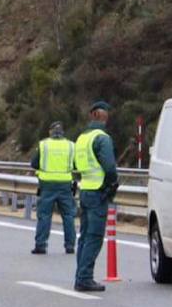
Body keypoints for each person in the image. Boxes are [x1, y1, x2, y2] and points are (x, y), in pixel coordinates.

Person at [74, 101, 119, 292]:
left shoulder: (82, 138)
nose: (105, 116)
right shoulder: (102, 138)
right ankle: (84, 278)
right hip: (98, 193)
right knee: (94, 237)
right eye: (105, 114)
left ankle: (81, 275)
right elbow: (109, 167)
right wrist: (111, 184)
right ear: (101, 116)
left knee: (85, 236)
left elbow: (77, 165)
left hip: (85, 191)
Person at [30, 121, 76, 255]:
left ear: (50, 132)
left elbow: (34, 163)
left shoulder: (43, 145)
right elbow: (76, 164)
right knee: (68, 216)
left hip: (47, 185)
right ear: (62, 132)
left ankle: (41, 245)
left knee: (44, 216)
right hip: (65, 185)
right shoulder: (71, 146)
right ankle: (70, 246)